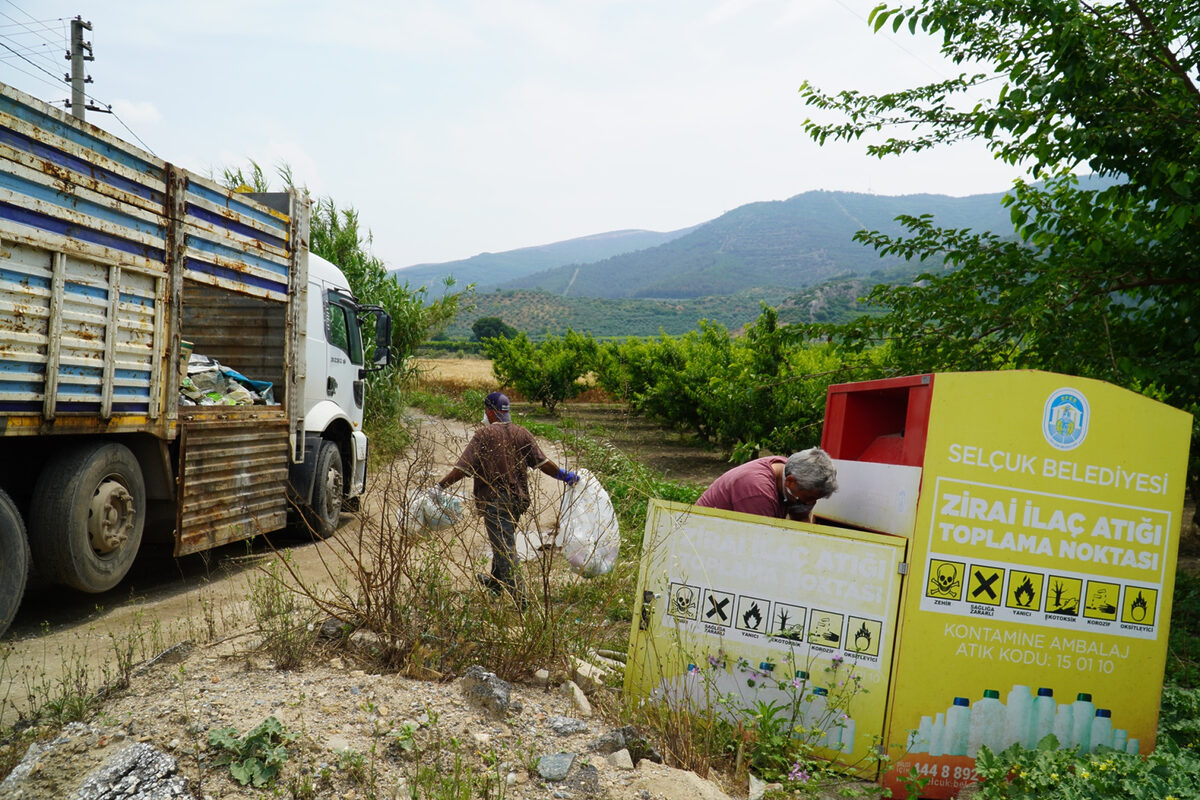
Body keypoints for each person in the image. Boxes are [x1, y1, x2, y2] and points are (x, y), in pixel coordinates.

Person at [437, 391, 579, 607]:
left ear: (489, 411)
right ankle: (494, 583)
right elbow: (544, 464)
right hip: (518, 501)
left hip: (496, 501)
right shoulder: (522, 433)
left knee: (504, 548)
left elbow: (463, 469)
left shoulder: (483, 435)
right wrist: (564, 476)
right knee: (504, 540)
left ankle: (522, 600)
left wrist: (439, 486)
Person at [695, 447, 838, 522]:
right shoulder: (757, 491)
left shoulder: (790, 472)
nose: (810, 503)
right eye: (807, 498)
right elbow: (762, 543)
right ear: (790, 481)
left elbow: (800, 519)